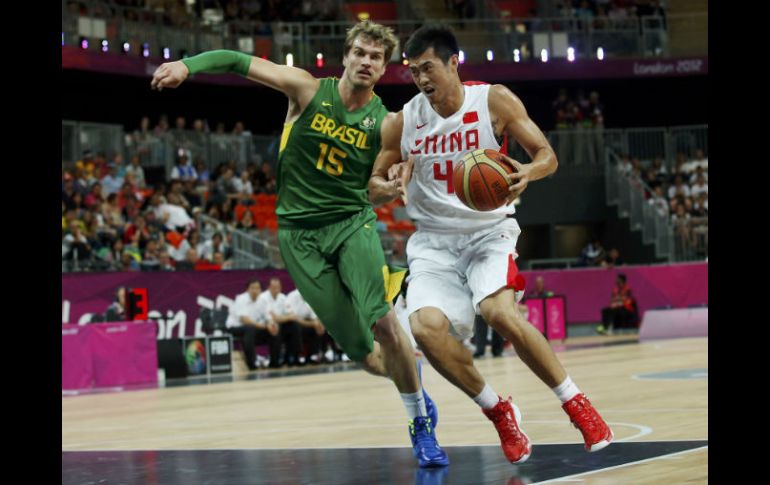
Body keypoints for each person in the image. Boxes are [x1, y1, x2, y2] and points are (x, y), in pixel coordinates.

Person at [150, 20, 446, 467]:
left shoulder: (386, 123)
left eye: (376, 58)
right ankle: (414, 386)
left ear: (384, 69)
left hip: (351, 223)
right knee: (366, 355)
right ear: (345, 56)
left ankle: (419, 425)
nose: (366, 62)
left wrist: (389, 184)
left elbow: (379, 182)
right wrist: (186, 67)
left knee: (384, 323)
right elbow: (235, 60)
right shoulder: (305, 89)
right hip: (298, 236)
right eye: (360, 53)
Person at [368, 24, 613, 464]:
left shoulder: (493, 101)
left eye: (428, 68)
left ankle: (577, 404)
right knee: (424, 328)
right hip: (433, 242)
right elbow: (373, 183)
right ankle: (497, 410)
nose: (422, 79)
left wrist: (526, 174)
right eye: (413, 72)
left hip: (488, 231)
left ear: (452, 63)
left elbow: (546, 155)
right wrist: (387, 185)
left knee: (498, 312)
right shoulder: (403, 121)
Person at [225, 279, 281, 370]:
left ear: (260, 290)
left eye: (257, 288)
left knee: (275, 328)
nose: (255, 290)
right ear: (247, 289)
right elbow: (245, 320)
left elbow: (268, 317)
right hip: (235, 327)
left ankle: (274, 362)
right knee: (249, 328)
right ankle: (252, 364)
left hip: (253, 329)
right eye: (252, 288)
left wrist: (271, 324)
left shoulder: (262, 300)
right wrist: (263, 326)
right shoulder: (241, 299)